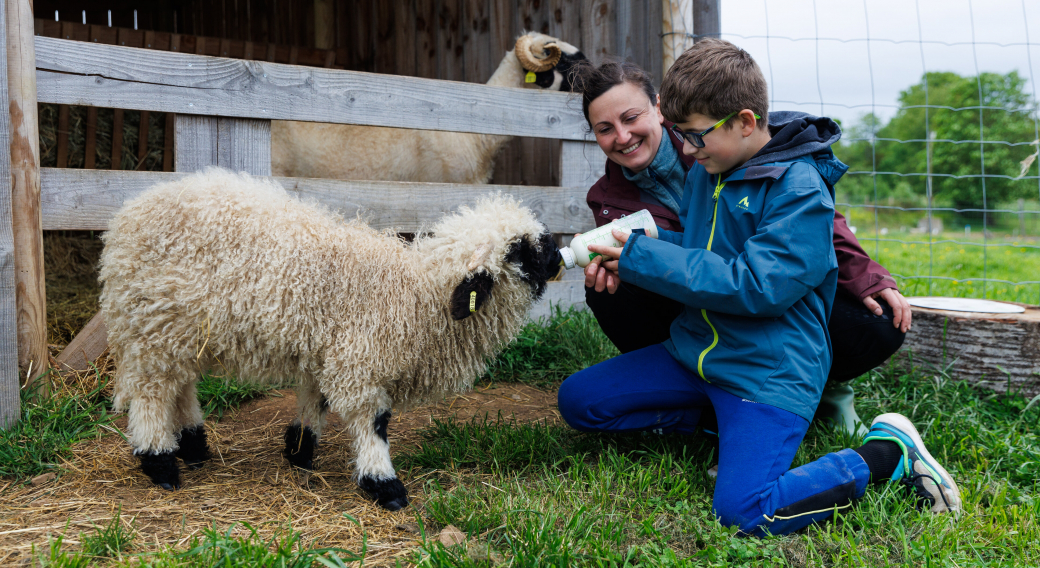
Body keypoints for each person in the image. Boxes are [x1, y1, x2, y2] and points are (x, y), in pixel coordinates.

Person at [556, 39, 959, 536]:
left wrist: (647, 256)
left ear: (745, 122)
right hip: (698, 352)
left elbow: (759, 284)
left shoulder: (800, 187)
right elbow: (711, 253)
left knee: (745, 511)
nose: (685, 148)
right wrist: (638, 251)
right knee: (580, 401)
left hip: (767, 370)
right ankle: (727, 430)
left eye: (696, 136)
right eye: (680, 134)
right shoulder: (711, 169)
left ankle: (886, 454)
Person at [570, 59, 910, 437]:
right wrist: (626, 264)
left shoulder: (718, 144)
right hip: (703, 308)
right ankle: (706, 401)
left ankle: (818, 393)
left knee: (878, 323)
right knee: (609, 292)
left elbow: (807, 227)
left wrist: (867, 275)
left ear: (659, 106)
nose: (622, 136)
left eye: (630, 117)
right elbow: (676, 261)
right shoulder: (611, 198)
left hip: (762, 297)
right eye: (604, 129)